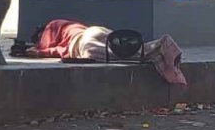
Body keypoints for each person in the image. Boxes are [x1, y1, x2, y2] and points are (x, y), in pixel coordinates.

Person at [24, 19, 187, 85]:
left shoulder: (51, 27)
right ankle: (156, 47)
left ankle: (159, 45)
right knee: (125, 49)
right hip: (94, 30)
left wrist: (38, 51)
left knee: (118, 56)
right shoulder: (67, 24)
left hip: (83, 43)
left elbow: (56, 50)